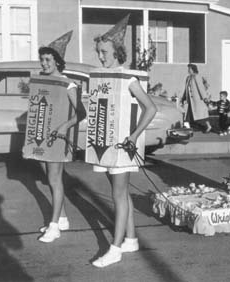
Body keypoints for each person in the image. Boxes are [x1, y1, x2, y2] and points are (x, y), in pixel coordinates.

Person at [90, 15, 157, 268]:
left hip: (122, 147)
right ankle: (130, 239)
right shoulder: (104, 77)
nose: (100, 57)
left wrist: (134, 135)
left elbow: (150, 109)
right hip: (106, 145)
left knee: (117, 194)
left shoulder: (128, 78)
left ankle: (115, 248)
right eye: (98, 52)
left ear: (117, 52)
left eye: (104, 52)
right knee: (121, 192)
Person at [34, 31, 86, 242]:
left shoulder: (67, 83)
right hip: (43, 136)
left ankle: (54, 226)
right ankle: (62, 218)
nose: (44, 63)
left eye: (48, 59)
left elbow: (81, 112)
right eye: (42, 59)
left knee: (55, 179)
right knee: (50, 178)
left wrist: (66, 125)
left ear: (57, 61)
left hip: (58, 138)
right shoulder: (43, 81)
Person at [181, 63, 212, 133]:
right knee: (189, 115)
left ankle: (208, 126)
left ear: (193, 69)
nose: (188, 70)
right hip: (191, 101)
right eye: (188, 69)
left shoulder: (196, 77)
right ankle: (188, 129)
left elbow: (200, 88)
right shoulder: (188, 78)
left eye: (189, 69)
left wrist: (205, 98)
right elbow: (186, 89)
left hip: (198, 100)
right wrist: (184, 98)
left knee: (201, 115)